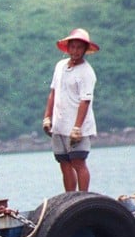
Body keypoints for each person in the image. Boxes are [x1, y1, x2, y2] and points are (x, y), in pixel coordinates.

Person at [42, 28, 98, 192]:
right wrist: (47, 117)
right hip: (59, 124)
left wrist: (77, 127)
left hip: (77, 125)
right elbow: (53, 92)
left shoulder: (86, 72)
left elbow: (85, 101)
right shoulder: (60, 66)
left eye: (79, 47)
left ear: (85, 50)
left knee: (78, 162)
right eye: (72, 47)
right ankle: (70, 197)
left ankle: (83, 196)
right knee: (64, 162)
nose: (75, 51)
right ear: (67, 48)